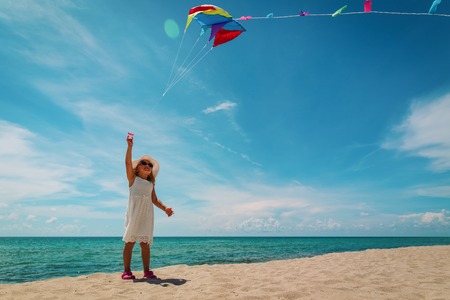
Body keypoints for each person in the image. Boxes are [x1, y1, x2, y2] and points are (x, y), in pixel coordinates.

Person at [122, 136, 174, 280]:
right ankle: (126, 271)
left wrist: (165, 208)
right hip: (134, 214)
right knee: (130, 242)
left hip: (146, 215)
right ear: (137, 169)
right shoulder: (133, 179)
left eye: (150, 165)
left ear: (151, 171)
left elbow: (155, 200)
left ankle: (146, 271)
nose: (147, 165)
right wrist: (130, 147)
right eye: (143, 163)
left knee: (145, 244)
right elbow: (127, 163)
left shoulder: (150, 184)